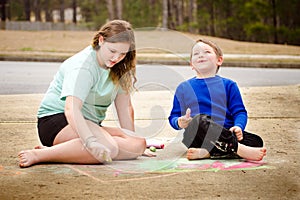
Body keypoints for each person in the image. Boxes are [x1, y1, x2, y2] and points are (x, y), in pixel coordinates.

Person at [18, 20, 146, 168]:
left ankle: (69, 149)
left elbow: (124, 108)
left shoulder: (120, 67)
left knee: (138, 143)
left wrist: (130, 142)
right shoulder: (83, 66)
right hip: (59, 121)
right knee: (108, 149)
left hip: (90, 124)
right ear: (101, 40)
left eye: (122, 53)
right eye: (112, 51)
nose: (116, 58)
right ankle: (40, 155)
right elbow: (71, 109)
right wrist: (91, 141)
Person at [168, 38, 266, 161]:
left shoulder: (229, 85)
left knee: (256, 141)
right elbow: (173, 116)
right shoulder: (183, 88)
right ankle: (237, 149)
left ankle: (210, 152)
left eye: (207, 52)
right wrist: (179, 122)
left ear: (219, 60)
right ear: (191, 64)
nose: (201, 55)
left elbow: (239, 112)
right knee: (199, 119)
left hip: (226, 132)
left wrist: (238, 126)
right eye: (196, 54)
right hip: (197, 135)